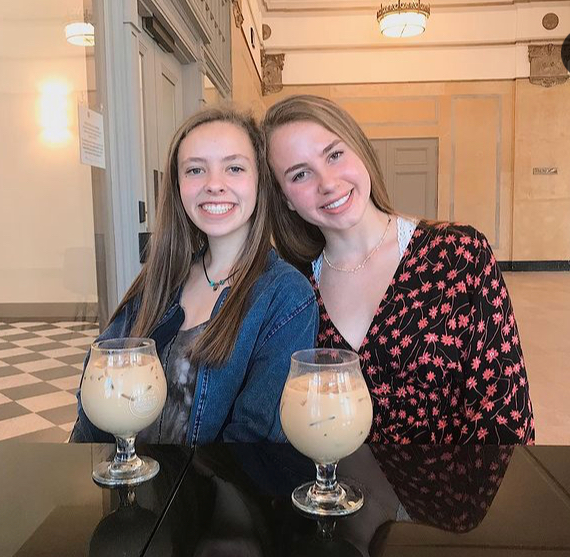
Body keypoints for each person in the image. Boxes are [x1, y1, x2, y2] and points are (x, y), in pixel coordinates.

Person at [262, 94, 534, 444]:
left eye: (335, 154)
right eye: (300, 174)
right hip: (333, 492)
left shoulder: (459, 255)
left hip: (448, 492)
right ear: (285, 198)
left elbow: (506, 416)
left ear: (360, 150)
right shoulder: (293, 288)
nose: (327, 182)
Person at [71, 107, 318, 445]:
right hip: (130, 486)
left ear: (260, 181)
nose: (214, 185)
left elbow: (254, 438)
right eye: (195, 170)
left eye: (234, 168)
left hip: (209, 496)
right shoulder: (161, 279)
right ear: (178, 185)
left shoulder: (286, 294)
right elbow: (96, 389)